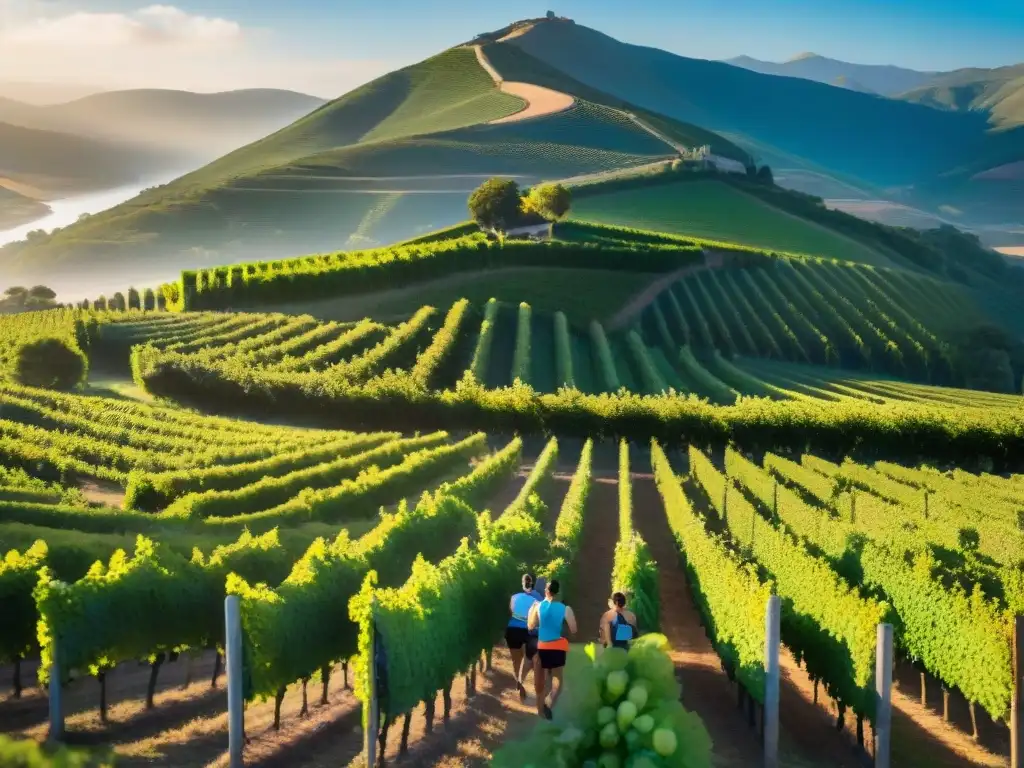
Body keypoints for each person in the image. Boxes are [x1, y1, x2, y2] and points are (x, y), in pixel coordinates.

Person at [527, 579, 577, 719]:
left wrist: (532, 611)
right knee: (558, 682)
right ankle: (548, 704)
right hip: (557, 647)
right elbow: (573, 629)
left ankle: (540, 710)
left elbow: (530, 626)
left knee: (540, 681)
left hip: (542, 646)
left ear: (546, 591)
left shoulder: (538, 606)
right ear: (557, 592)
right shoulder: (565, 608)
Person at [505, 574, 541, 701]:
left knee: (516, 661)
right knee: (528, 660)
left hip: (512, 630)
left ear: (522, 584)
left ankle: (519, 685)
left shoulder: (514, 597)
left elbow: (511, 612)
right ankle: (522, 680)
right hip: (527, 632)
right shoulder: (537, 601)